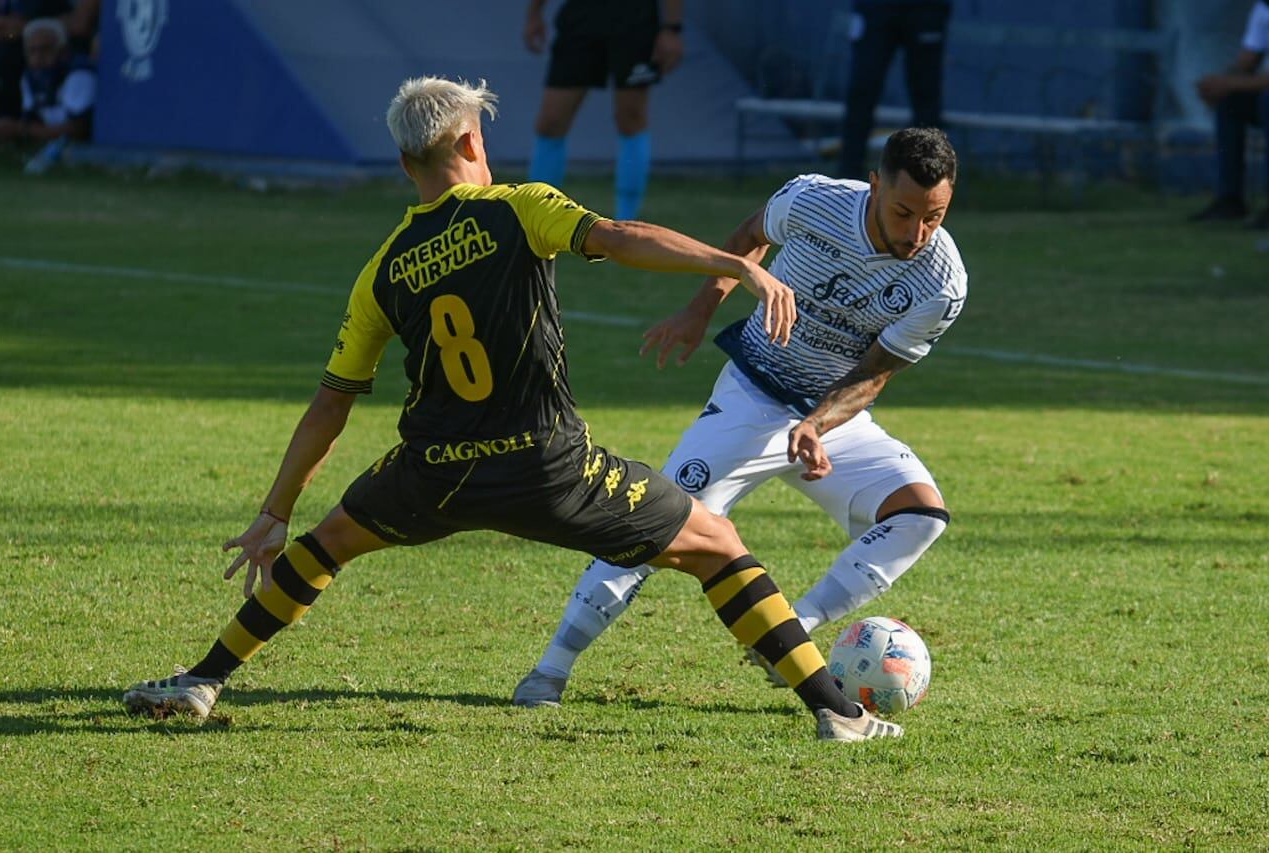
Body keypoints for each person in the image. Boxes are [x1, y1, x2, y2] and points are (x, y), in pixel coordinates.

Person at [122, 75, 902, 743]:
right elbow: (622, 236)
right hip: (547, 464)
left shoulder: (383, 270)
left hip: (431, 471)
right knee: (718, 544)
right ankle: (837, 713)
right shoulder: (519, 207)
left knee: (324, 544)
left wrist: (274, 509)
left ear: (404, 164)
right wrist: (737, 264)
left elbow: (331, 404)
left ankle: (202, 679)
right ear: (466, 143)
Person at [514, 127, 964, 707]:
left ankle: (790, 633)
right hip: (753, 394)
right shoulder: (814, 200)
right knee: (651, 524)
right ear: (874, 184)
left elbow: (875, 373)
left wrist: (818, 424)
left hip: (834, 422)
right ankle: (549, 671)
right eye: (905, 214)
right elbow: (751, 235)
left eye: (935, 217)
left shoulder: (942, 279)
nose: (918, 233)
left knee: (920, 514)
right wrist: (701, 309)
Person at [524, 0, 683, 220]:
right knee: (550, 123)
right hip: (582, 18)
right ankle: (536, 216)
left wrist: (672, 28)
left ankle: (626, 223)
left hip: (635, 18)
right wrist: (534, 13)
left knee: (631, 119)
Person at [837, 0, 952, 180]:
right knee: (862, 91)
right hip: (876, 9)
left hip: (925, 9)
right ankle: (848, 181)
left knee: (926, 97)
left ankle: (927, 179)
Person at [1190, 0, 1269, 230]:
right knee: (1230, 102)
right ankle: (1230, 199)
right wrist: (1218, 85)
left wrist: (1230, 83)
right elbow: (1245, 63)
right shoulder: (1265, 10)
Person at [0, 16, 94, 145]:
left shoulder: (79, 74)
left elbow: (78, 130)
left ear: (63, 51)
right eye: (32, 51)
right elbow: (33, 121)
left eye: (45, 49)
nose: (38, 57)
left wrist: (17, 129)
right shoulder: (29, 77)